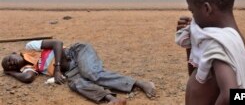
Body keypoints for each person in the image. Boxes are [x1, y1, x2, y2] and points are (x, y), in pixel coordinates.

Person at [175, 0, 245, 105]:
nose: (193, 18)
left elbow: (230, 95)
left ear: (206, 9)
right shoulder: (233, 39)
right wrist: (191, 44)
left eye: (193, 11)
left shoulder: (218, 45)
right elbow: (199, 75)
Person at [1, 40, 156, 105]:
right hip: (72, 72)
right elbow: (27, 78)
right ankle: (111, 99)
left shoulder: (30, 47)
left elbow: (57, 43)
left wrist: (56, 69)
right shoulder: (29, 69)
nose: (10, 62)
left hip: (77, 52)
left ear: (15, 52)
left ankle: (139, 83)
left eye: (9, 58)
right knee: (76, 84)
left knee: (90, 73)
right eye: (9, 65)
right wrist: (8, 72)